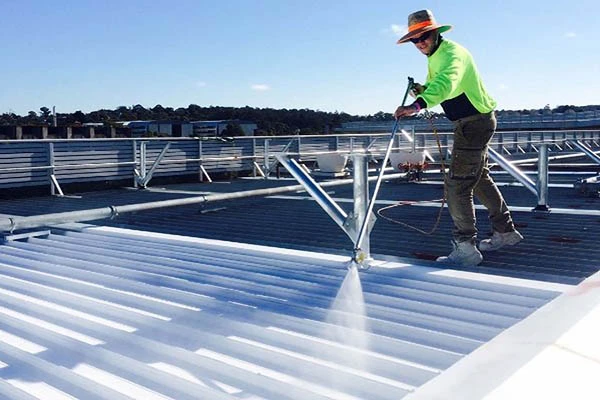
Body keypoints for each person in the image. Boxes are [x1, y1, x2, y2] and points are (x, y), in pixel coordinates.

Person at [393, 9, 522, 267]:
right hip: (475, 122)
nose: (419, 43)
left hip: (473, 124)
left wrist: (417, 105)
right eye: (414, 40)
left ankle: (466, 247)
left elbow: (447, 83)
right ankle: (505, 232)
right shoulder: (436, 55)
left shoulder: (451, 54)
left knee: (457, 184)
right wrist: (422, 91)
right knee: (479, 178)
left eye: (423, 37)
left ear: (436, 33)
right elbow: (439, 86)